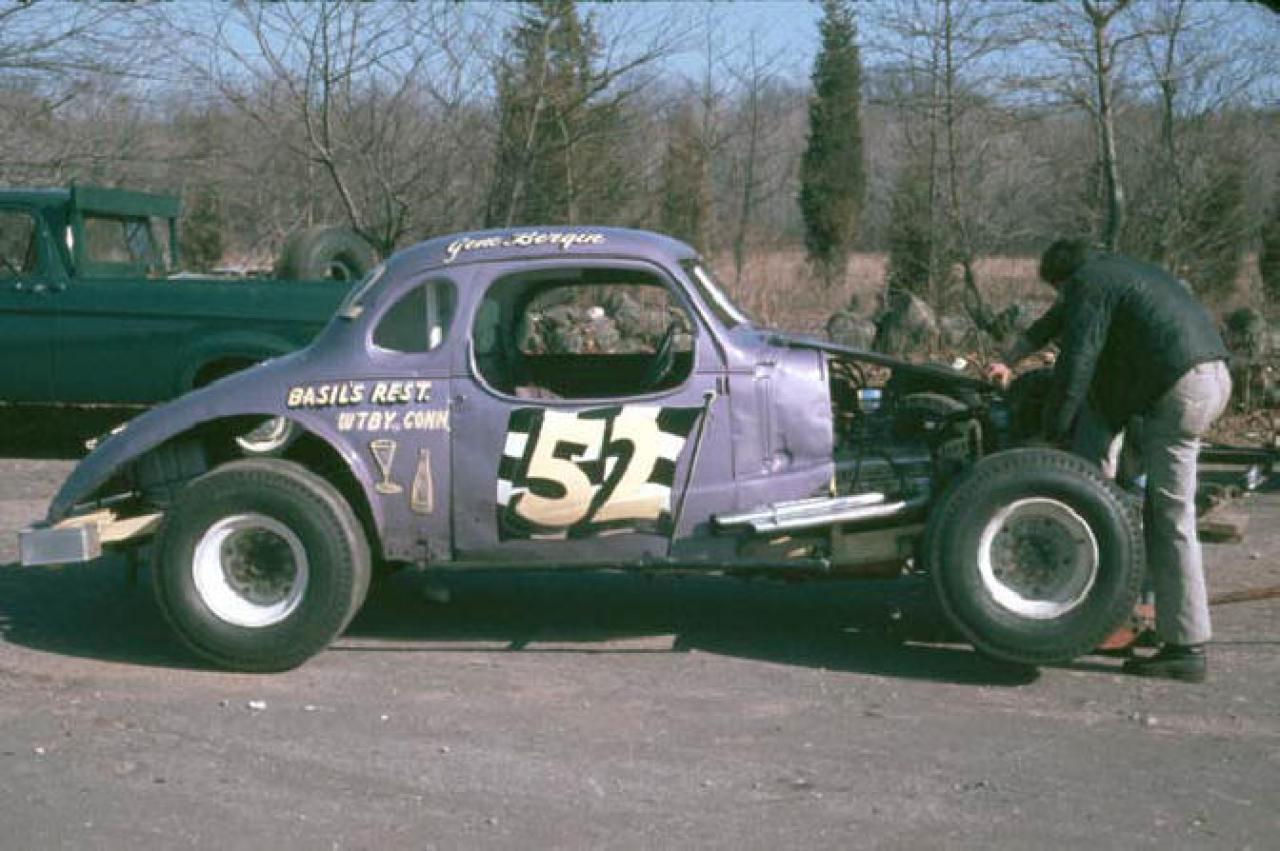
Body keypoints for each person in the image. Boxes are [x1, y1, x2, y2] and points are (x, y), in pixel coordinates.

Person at [987, 238, 1231, 682]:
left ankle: (1185, 646)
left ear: (1064, 280)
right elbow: (1055, 322)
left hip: (1178, 387)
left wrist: (1053, 431)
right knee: (1141, 505)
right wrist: (1007, 360)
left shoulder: (1088, 283)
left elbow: (1077, 361)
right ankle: (1131, 608)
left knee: (1169, 516)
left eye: (1059, 291)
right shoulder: (1116, 272)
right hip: (1205, 376)